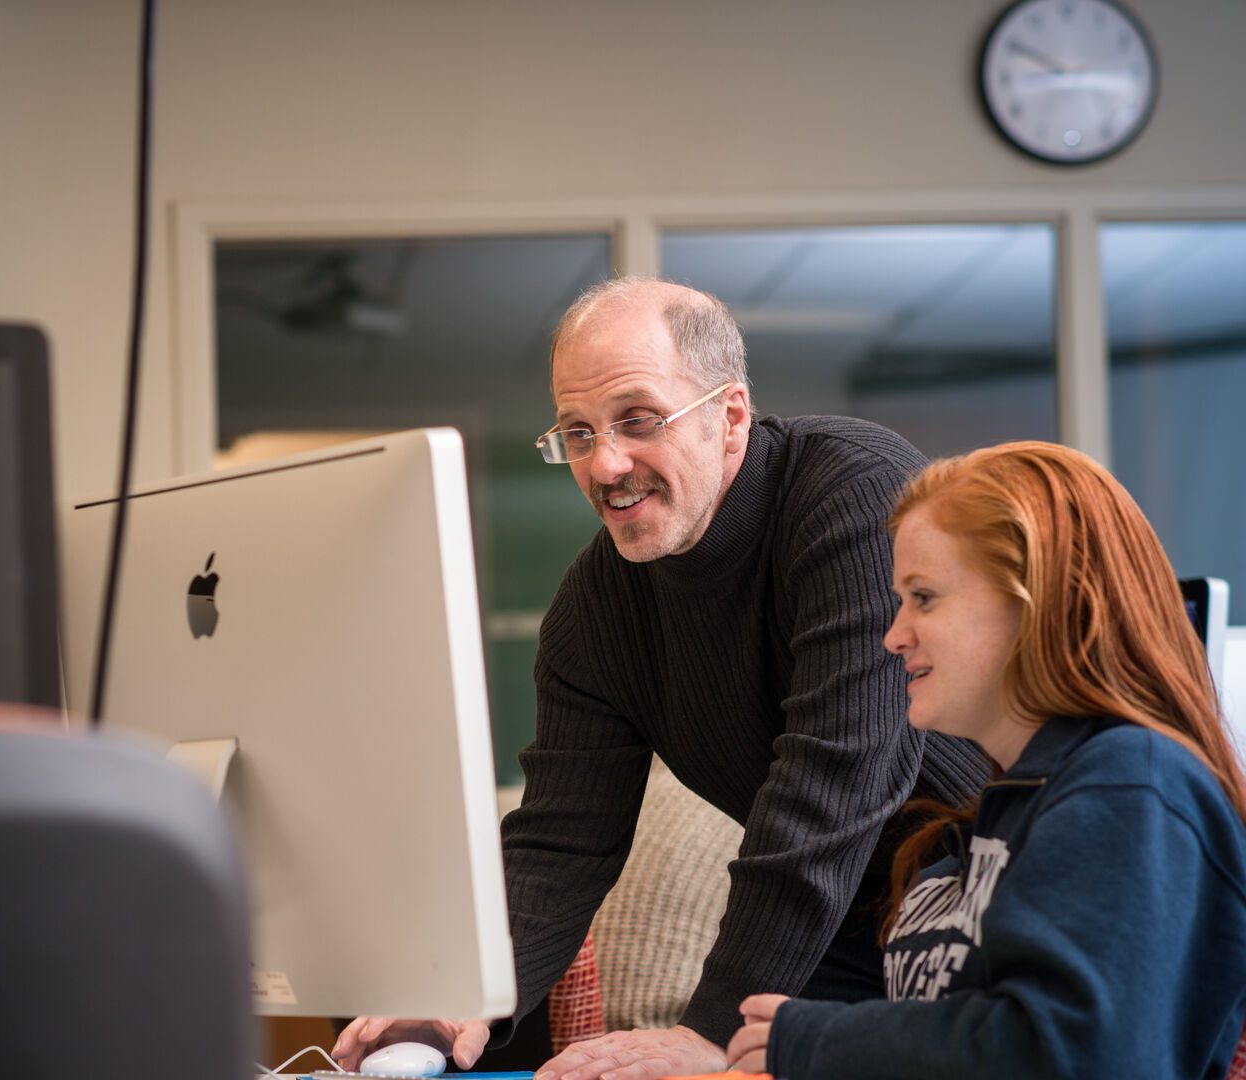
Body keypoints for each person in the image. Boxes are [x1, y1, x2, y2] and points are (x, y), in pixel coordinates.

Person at [335, 278, 991, 1079]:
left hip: (995, 897)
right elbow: (559, 839)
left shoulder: (852, 493)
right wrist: (461, 992)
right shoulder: (595, 605)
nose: (606, 464)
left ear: (732, 415)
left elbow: (834, 780)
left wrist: (707, 1030)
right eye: (577, 433)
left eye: (638, 421)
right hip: (843, 932)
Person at [724, 441, 1246, 1078]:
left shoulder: (1131, 786)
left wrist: (817, 1040)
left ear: (1038, 599)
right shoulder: (1003, 816)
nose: (894, 635)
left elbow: (1070, 1055)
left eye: (924, 597)